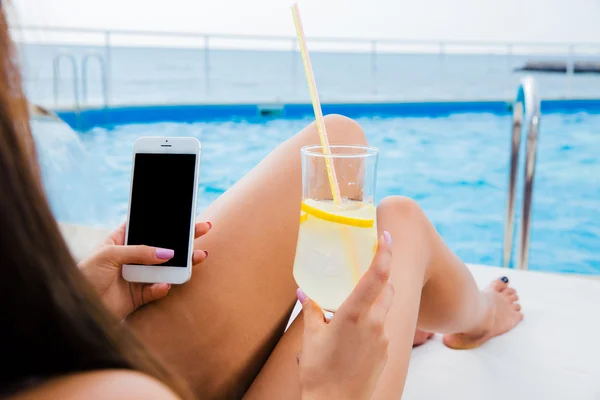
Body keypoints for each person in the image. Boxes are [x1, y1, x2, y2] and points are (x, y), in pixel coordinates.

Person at [0, 7, 522, 400]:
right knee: (399, 225)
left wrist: (75, 310)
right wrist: (336, 390)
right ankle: (477, 316)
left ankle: (433, 319)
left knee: (337, 144)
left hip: (45, 359)